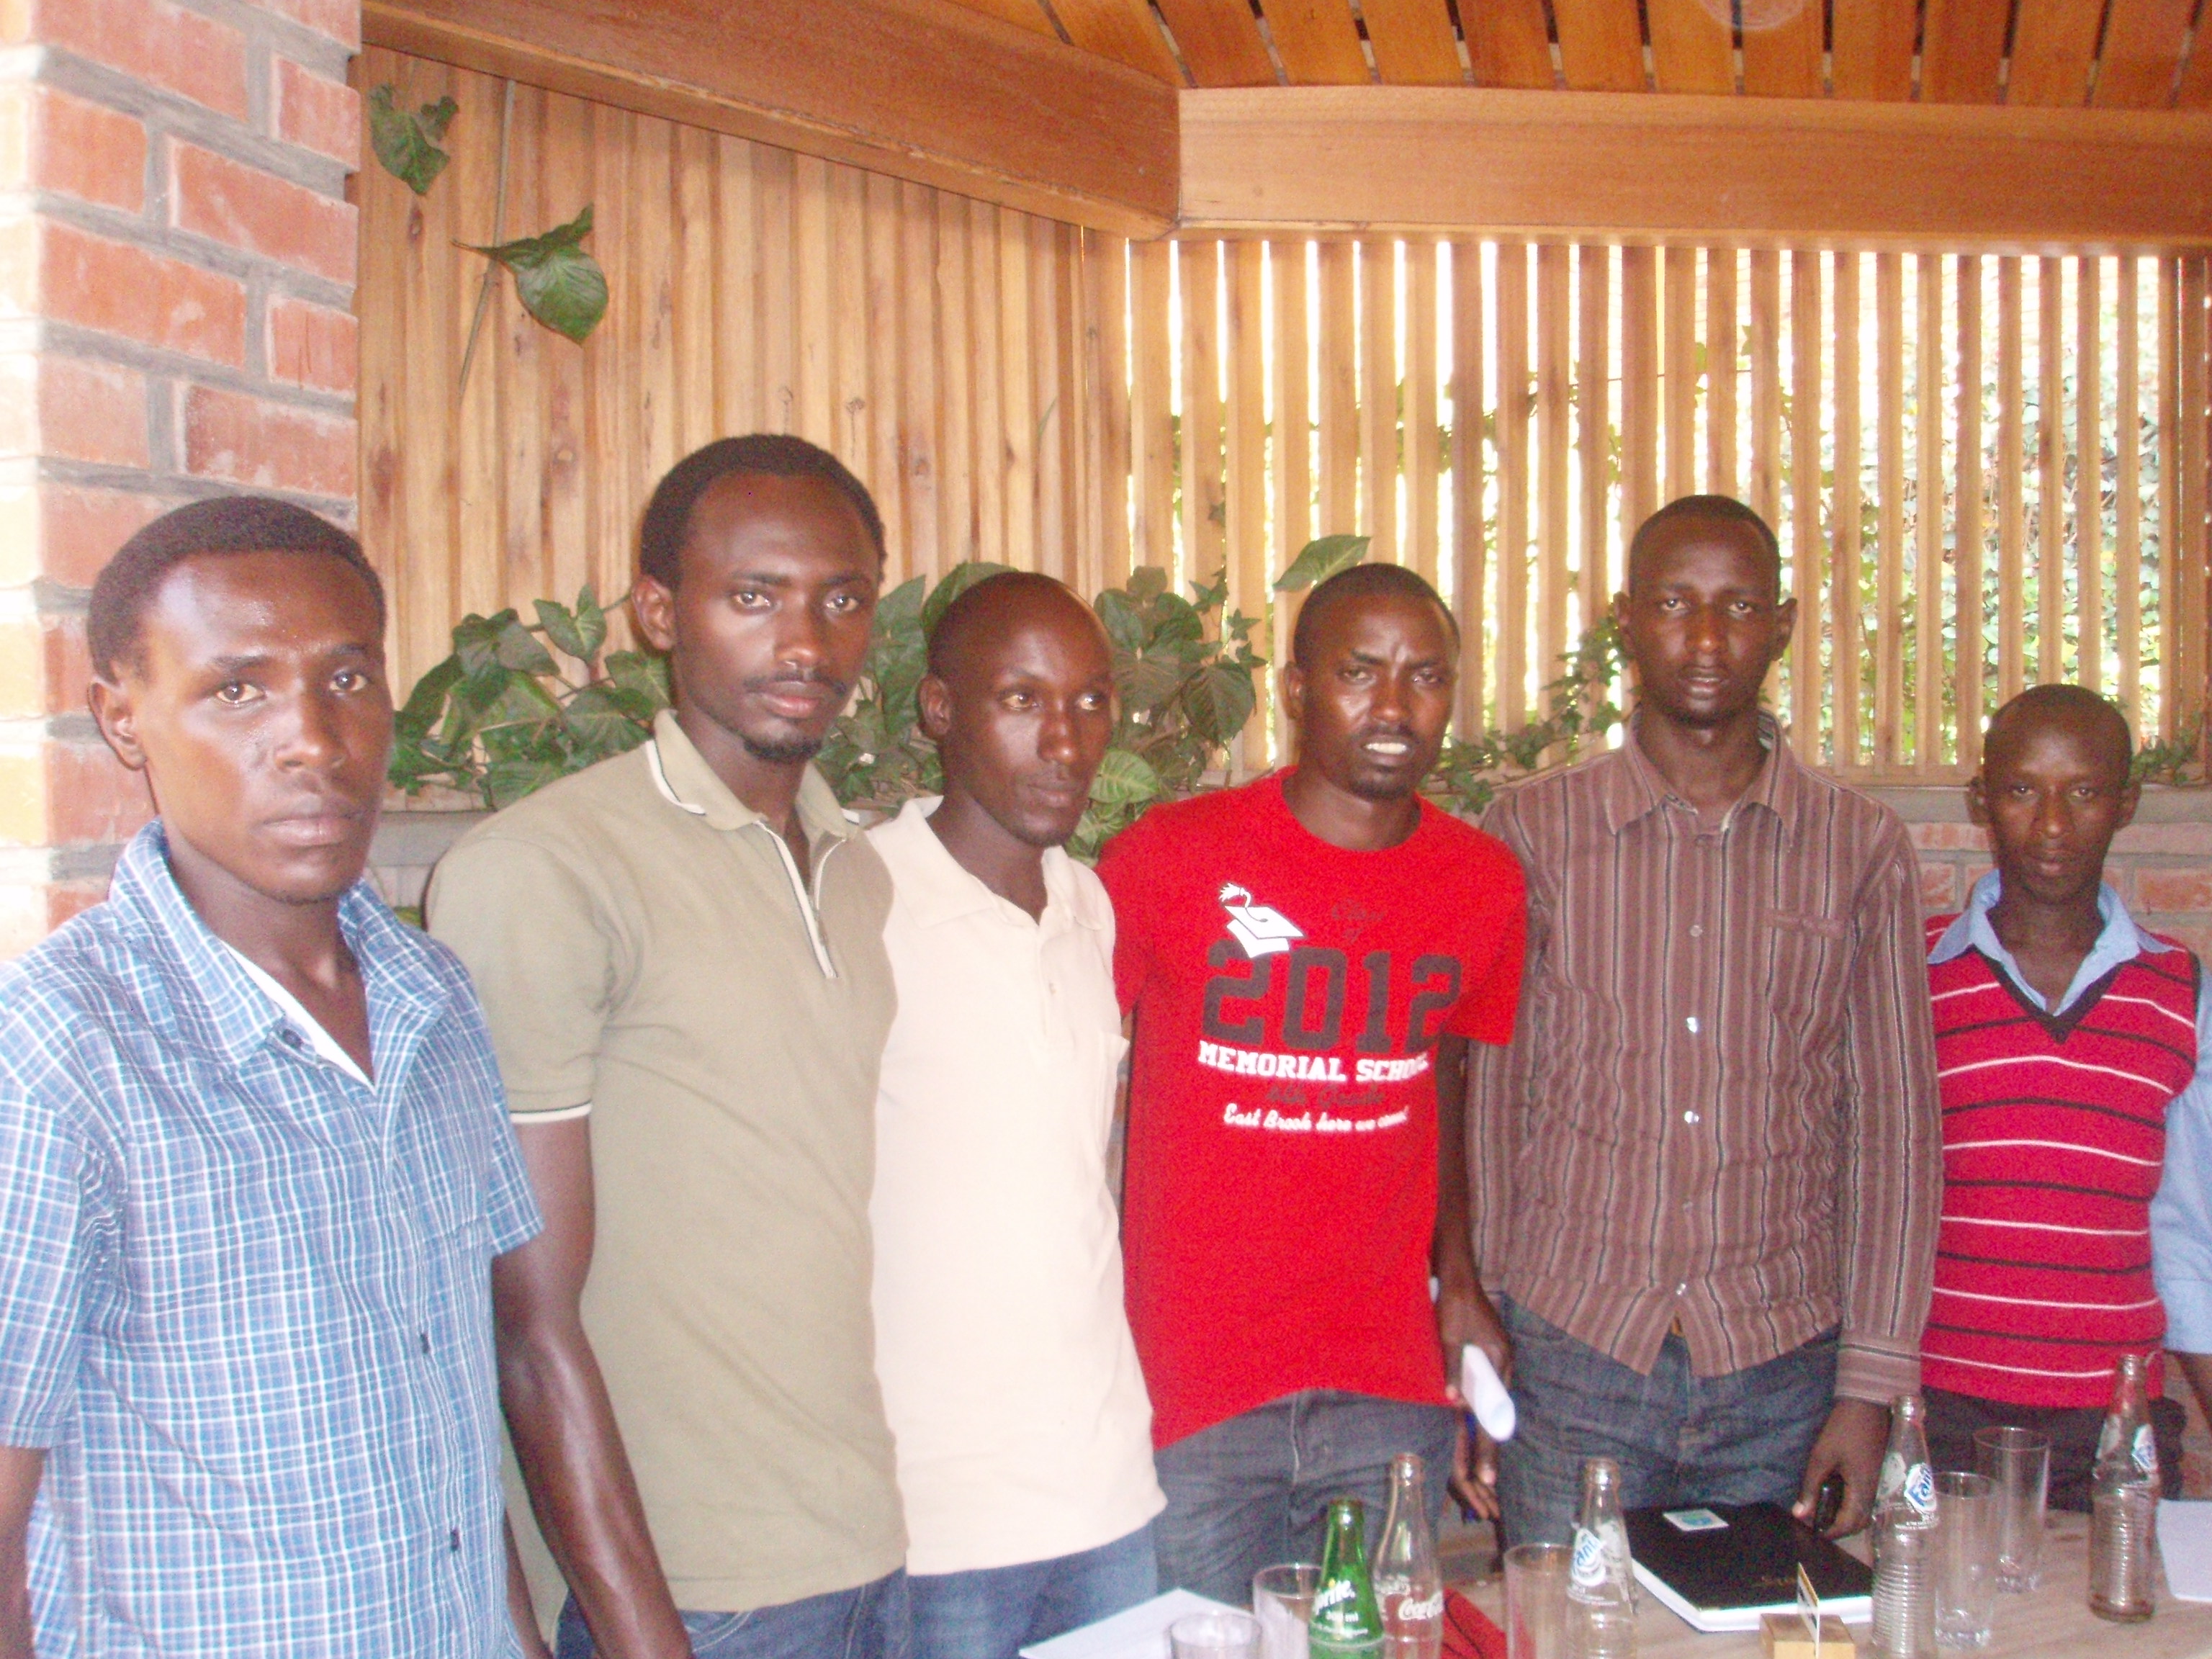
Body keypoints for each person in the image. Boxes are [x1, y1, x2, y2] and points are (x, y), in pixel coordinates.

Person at [0, 498, 545, 1656]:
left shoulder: (434, 1002)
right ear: (123, 718)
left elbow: (453, 1404)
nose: (313, 739)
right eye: (237, 689)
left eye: (348, 680)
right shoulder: (58, 1056)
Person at [428, 436, 907, 1659]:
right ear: (657, 610)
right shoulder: (541, 871)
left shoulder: (853, 868)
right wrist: (642, 1629)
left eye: (841, 599)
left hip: (863, 1545)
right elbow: (516, 1315)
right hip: (680, 1592)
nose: (806, 642)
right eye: (754, 595)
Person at [1469, 495, 1941, 1547]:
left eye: (1739, 606)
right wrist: (1490, 1330)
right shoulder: (1533, 832)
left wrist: (1870, 1387)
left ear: (1784, 624)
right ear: (1627, 618)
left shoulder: (1857, 847)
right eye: (1678, 603)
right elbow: (1492, 1102)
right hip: (1574, 1360)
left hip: (1778, 1373)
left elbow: (1896, 1134)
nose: (1708, 637)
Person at [1096, 561, 1527, 1605]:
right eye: (1358, 672)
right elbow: (1068, 1084)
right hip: (1192, 1394)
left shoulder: (1483, 883)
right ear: (1295, 691)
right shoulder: (1168, 859)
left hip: (1386, 1391)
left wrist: (1459, 1274)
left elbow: (1452, 1080)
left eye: (1426, 675)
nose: (1393, 706)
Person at [870, 572, 1164, 1658]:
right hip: (931, 1517)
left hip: (1107, 1494)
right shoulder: (858, 901)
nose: (1067, 741)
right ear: (940, 710)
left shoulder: (1090, 906)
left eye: (1092, 702)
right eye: (1023, 700)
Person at [1921, 683, 2212, 1509]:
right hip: (1938, 1421)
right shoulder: (1912, 976)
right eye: (2022, 791)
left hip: (2115, 1426)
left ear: (2126, 804)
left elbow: (2190, 1237)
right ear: (1982, 800)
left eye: (2083, 793)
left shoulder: (2178, 996)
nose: (2052, 826)